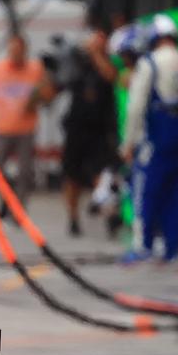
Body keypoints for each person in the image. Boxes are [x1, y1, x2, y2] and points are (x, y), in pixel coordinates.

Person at [120, 14, 178, 264]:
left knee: (148, 190)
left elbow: (136, 107)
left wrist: (128, 143)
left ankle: (144, 245)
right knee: (177, 193)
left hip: (158, 139)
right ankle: (172, 247)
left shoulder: (151, 63)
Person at [58, 26, 119, 236]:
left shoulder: (111, 59)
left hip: (101, 129)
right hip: (76, 127)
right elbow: (62, 79)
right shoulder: (77, 61)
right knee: (71, 176)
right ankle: (73, 218)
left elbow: (112, 76)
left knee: (103, 175)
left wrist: (96, 54)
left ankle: (110, 216)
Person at [0, 34, 48, 218]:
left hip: (26, 129)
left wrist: (37, 99)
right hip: (3, 128)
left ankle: (18, 210)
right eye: (12, 50)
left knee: (25, 173)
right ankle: (6, 198)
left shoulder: (35, 69)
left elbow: (45, 94)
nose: (15, 54)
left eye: (19, 50)